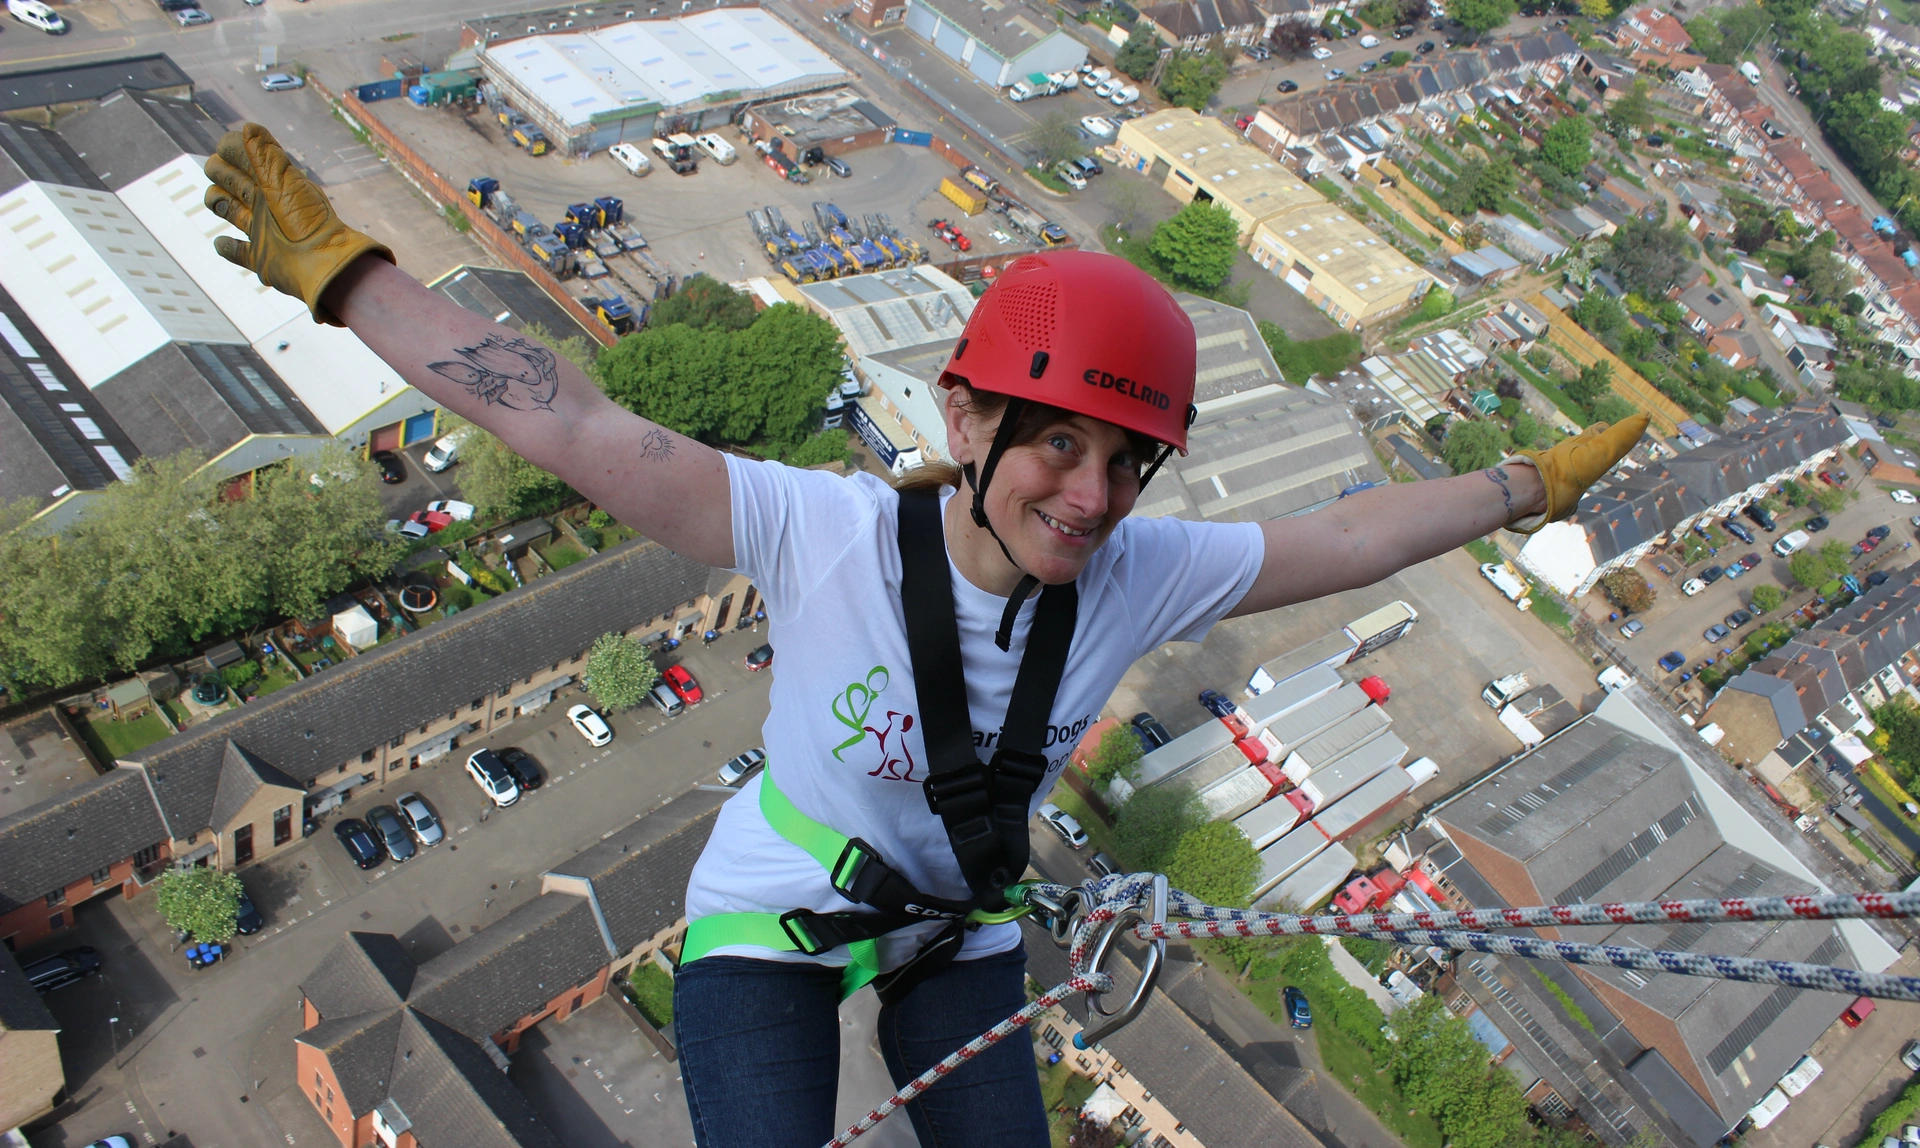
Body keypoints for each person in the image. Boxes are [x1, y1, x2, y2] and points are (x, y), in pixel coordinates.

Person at [202, 124, 1647, 1147]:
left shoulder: (1145, 570)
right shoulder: (814, 530)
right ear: (966, 420)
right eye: (1060, 448)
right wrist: (349, 273)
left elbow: (1352, 536)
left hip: (961, 924)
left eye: (1130, 463)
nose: (1091, 497)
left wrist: (1524, 487)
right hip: (776, 912)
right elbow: (572, 419)